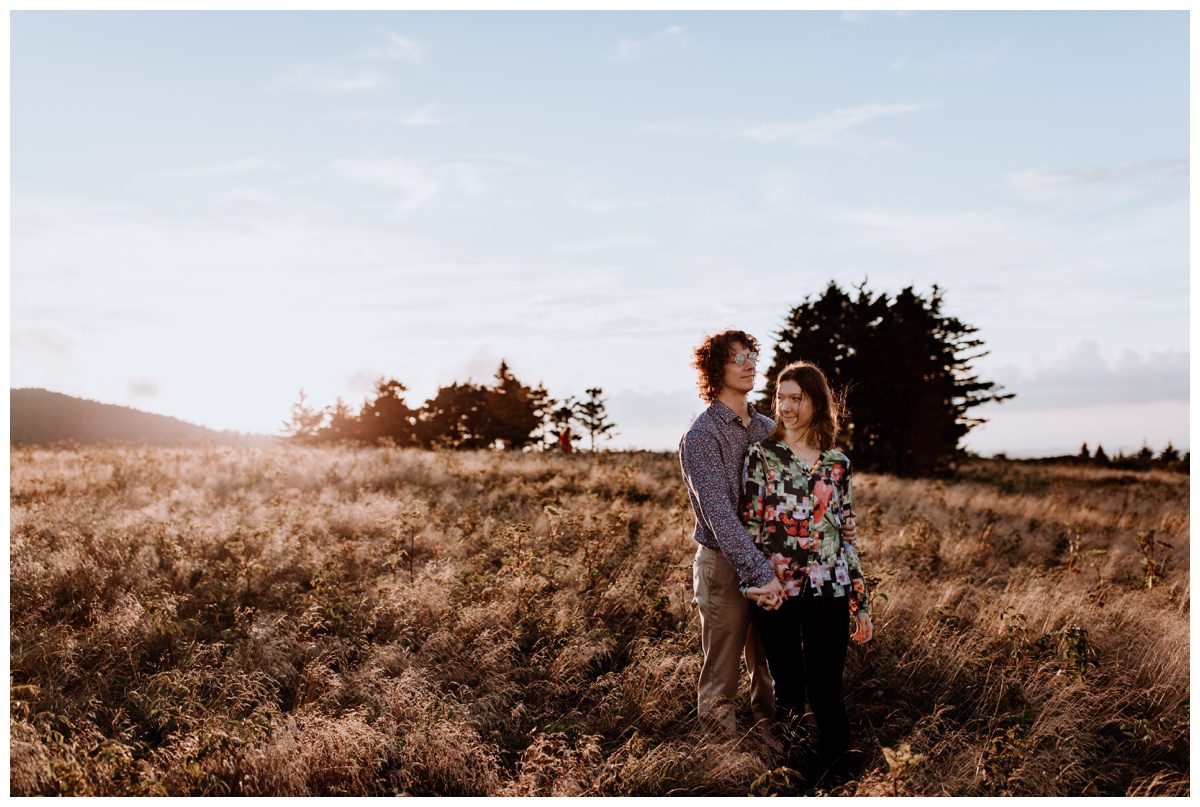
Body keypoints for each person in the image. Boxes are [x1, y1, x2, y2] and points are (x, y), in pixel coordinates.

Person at [679, 331, 856, 737]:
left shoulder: (766, 428)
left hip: (776, 564)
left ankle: (774, 751)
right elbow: (720, 517)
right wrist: (759, 574)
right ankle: (720, 762)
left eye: (751, 355)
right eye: (737, 357)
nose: (749, 363)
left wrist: (834, 522)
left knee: (770, 669)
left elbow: (803, 483)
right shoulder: (702, 436)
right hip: (725, 566)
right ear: (714, 369)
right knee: (722, 672)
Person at [740, 360, 873, 782]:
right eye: (781, 397)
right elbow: (751, 527)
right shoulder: (762, 456)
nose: (787, 406)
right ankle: (791, 775)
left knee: (828, 688)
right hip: (777, 590)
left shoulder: (838, 464)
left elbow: (846, 534)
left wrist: (860, 603)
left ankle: (840, 775)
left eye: (796, 398)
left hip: (830, 588)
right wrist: (755, 583)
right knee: (789, 691)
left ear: (817, 402)